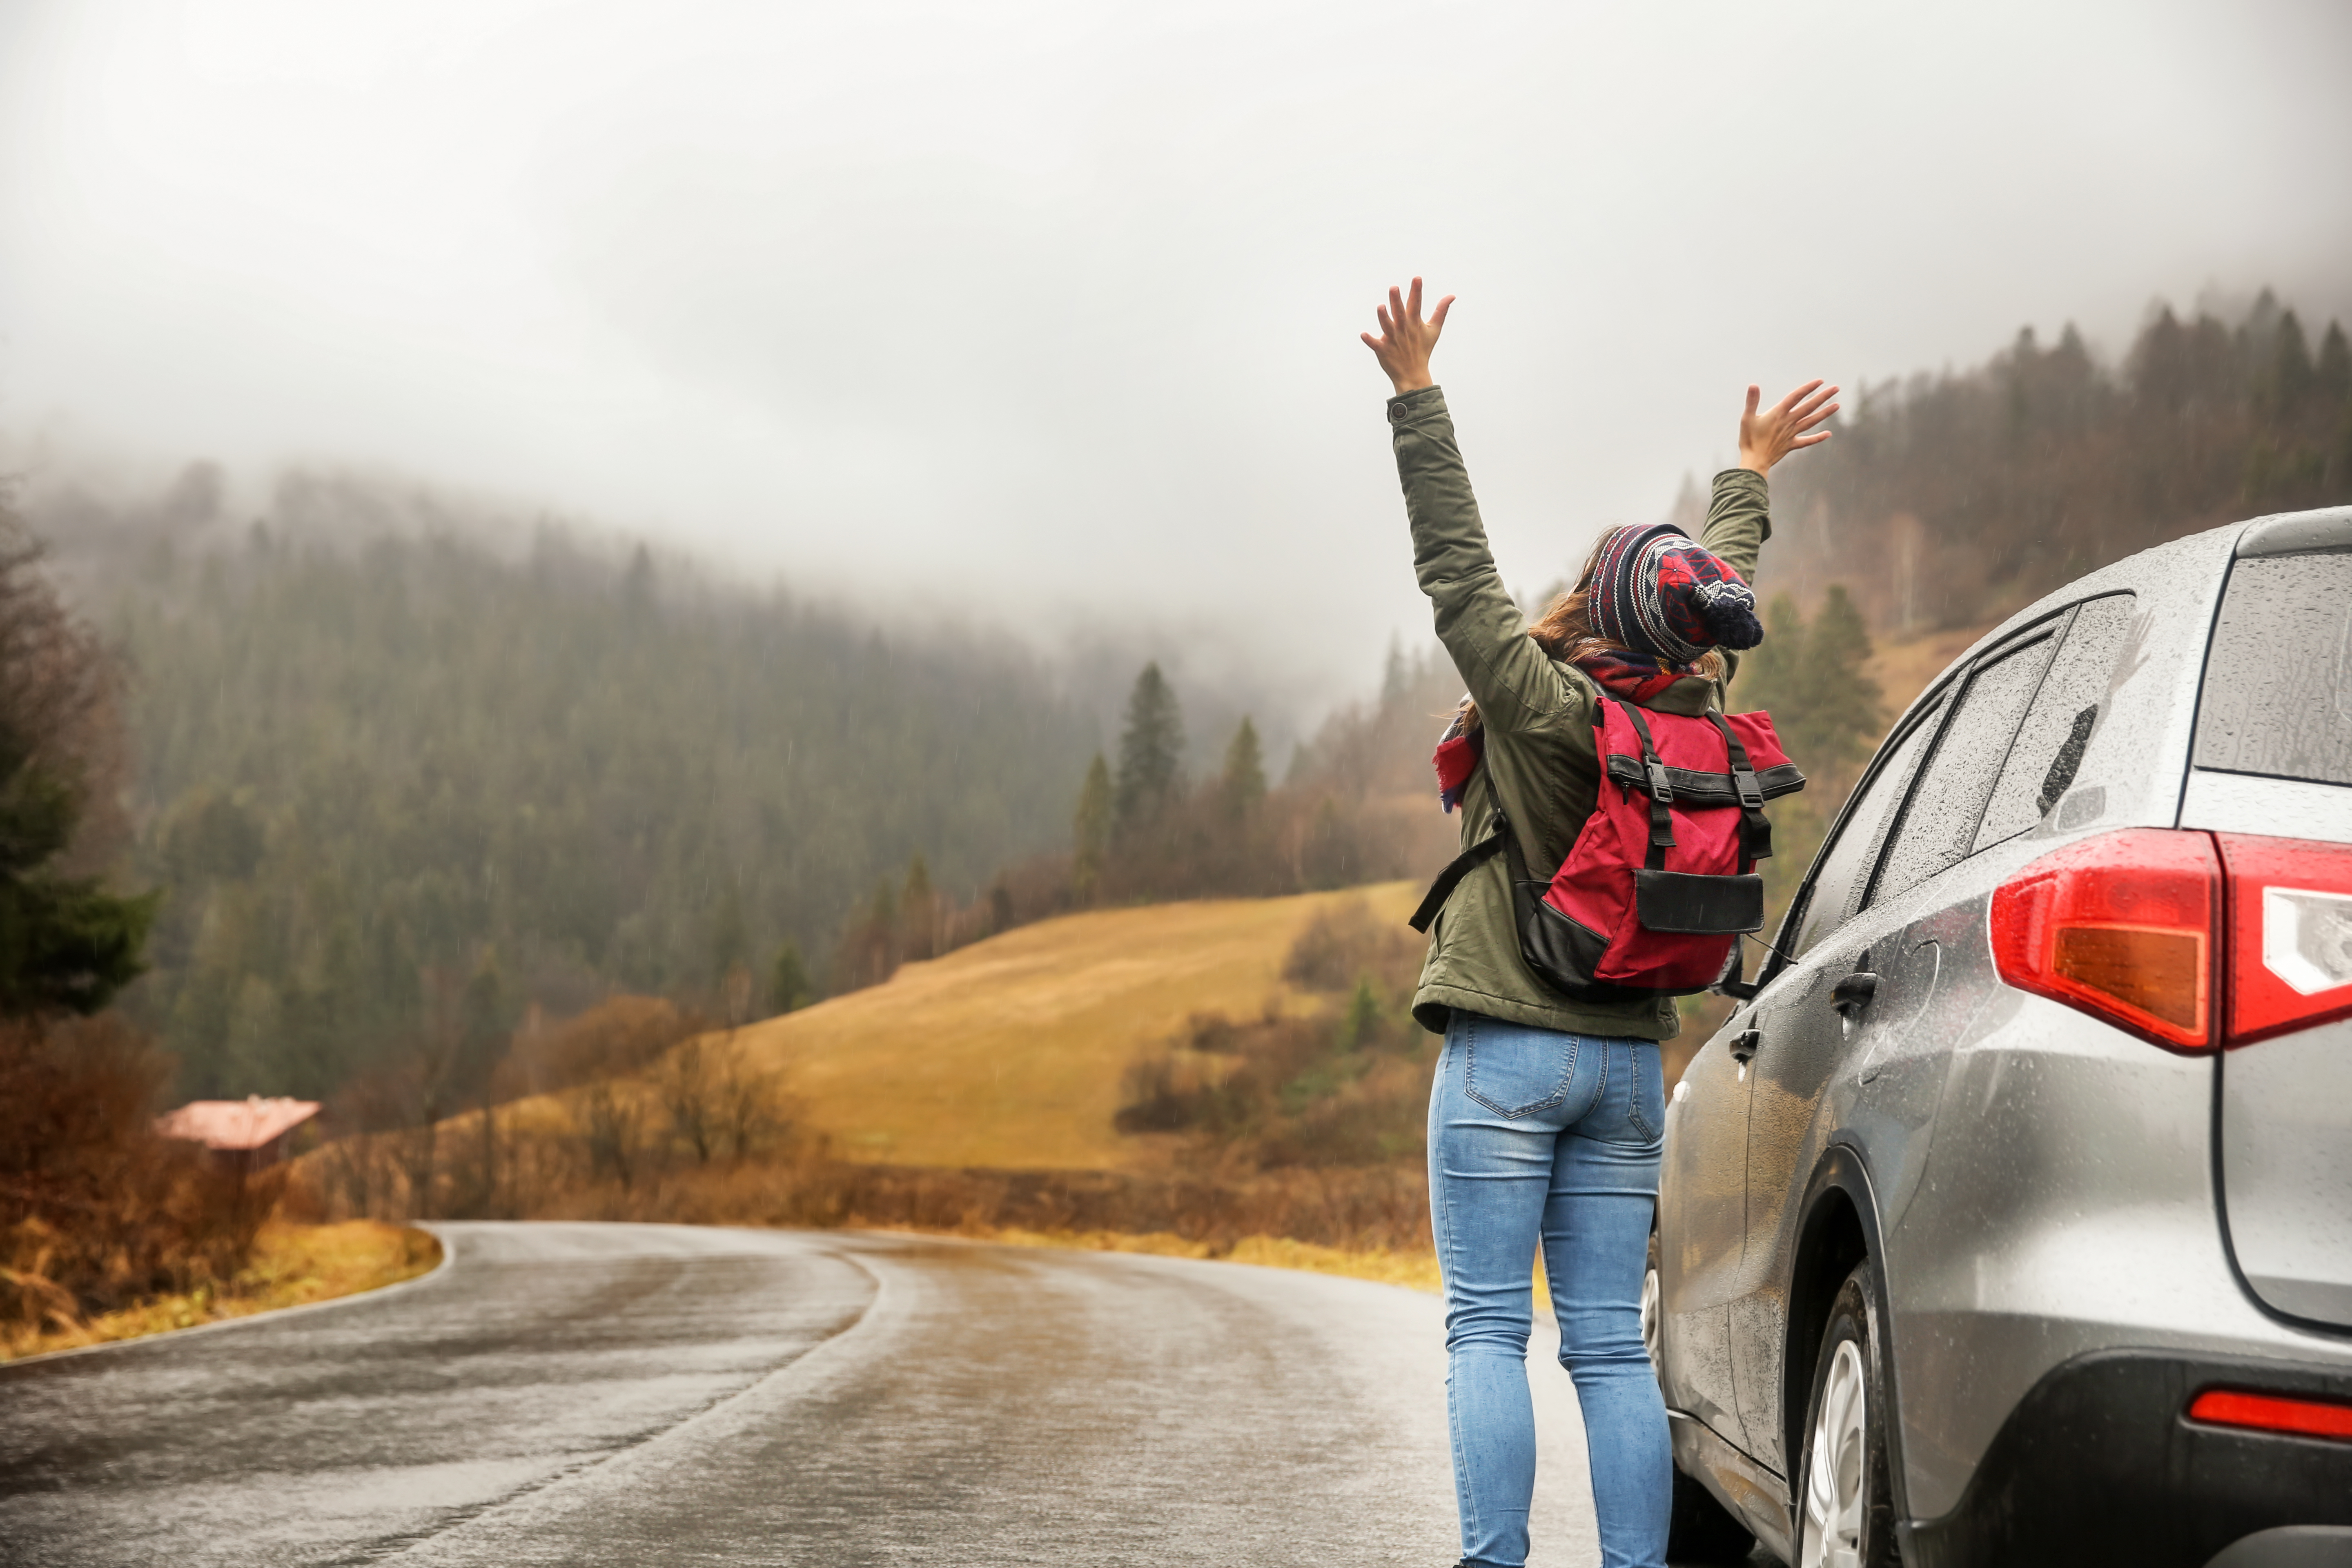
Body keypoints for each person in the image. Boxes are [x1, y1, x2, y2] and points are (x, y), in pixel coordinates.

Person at [1361, 278, 1836, 1568]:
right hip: (1630, 1061)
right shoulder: (1698, 720)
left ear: (1600, 608)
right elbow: (1715, 588)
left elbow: (1456, 568)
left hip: (1509, 1053)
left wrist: (1417, 400)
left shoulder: (1543, 707)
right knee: (1611, 1346)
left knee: (1483, 1331)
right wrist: (1750, 478)